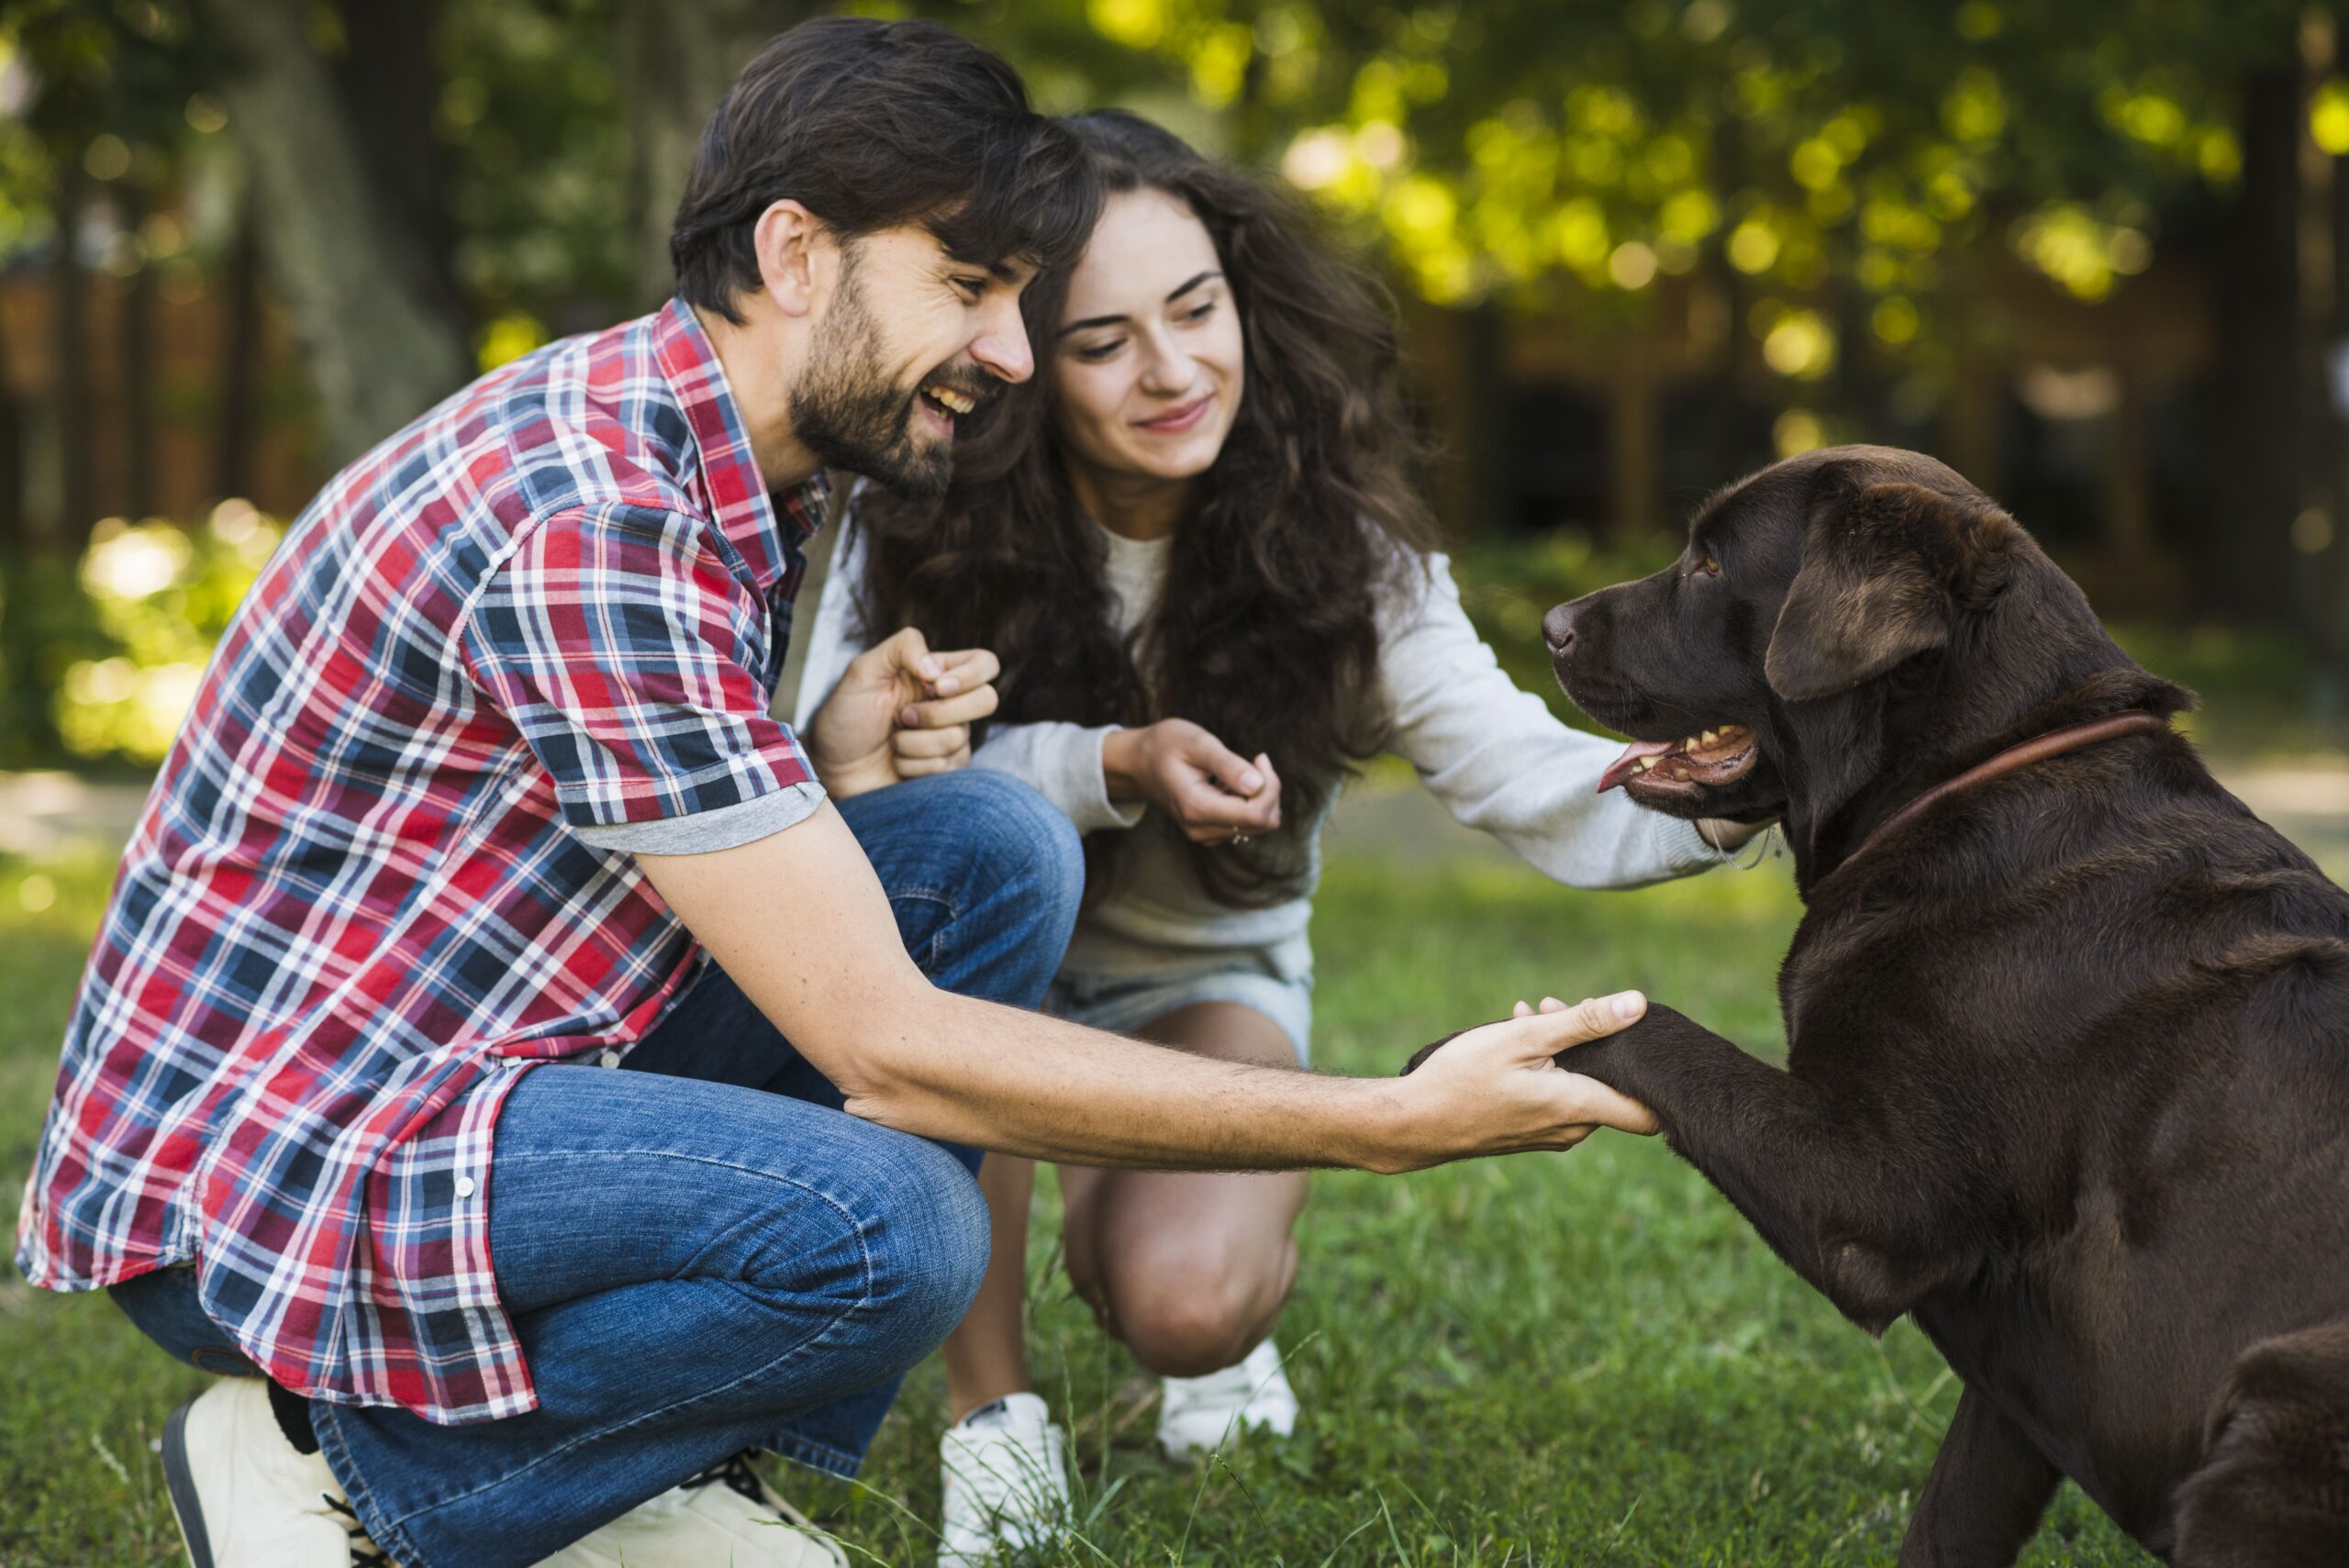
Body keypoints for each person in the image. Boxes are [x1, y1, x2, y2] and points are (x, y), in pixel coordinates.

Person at [13, 23, 1661, 1568]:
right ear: (798, 256)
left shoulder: (732, 454)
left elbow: (598, 842)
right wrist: (1392, 1118)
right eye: (973, 287)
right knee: (891, 1229)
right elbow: (885, 1046)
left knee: (988, 847)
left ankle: (638, 1464)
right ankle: (347, 1464)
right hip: (270, 1181)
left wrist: (827, 768)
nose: (1009, 353)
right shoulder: (599, 519)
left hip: (474, 1069)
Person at [795, 108, 1770, 1564]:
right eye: (1104, 340)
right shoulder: (913, 514)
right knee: (983, 888)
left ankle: (1188, 1286)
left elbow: (1522, 773)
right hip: (972, 977)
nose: (1175, 370)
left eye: (1197, 311)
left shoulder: (1344, 549)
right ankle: (993, 1423)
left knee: (1187, 1306)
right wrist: (1107, 759)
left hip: (1203, 983)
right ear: (1017, 365)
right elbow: (818, 768)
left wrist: (1727, 783)